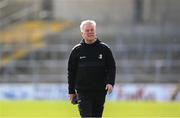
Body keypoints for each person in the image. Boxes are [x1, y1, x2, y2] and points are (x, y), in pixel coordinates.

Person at [68, 20, 116, 117]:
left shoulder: (104, 49)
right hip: (83, 92)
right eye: (87, 30)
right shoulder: (76, 51)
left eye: (92, 30)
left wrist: (110, 82)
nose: (90, 32)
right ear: (82, 33)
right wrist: (71, 91)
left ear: (95, 31)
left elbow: (111, 67)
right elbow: (71, 72)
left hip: (100, 91)